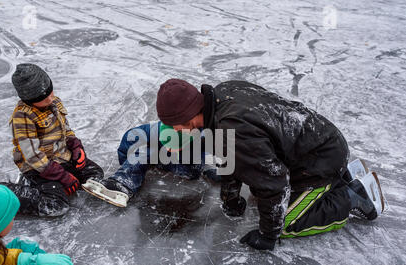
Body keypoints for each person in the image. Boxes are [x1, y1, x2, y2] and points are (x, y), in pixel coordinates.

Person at [155, 79, 385, 251]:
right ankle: (341, 178)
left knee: (286, 222)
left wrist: (268, 235)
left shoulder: (232, 131)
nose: (175, 133)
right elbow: (232, 155)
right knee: (257, 183)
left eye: (174, 127)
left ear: (186, 118)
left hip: (319, 162)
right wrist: (230, 197)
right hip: (319, 137)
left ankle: (351, 196)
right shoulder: (225, 92)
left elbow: (274, 184)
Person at [0, 63, 104, 217]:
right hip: (39, 167)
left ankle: (57, 181)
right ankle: (11, 192)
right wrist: (62, 176)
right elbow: (32, 155)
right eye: (43, 98)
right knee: (56, 206)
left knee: (95, 174)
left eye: (50, 92)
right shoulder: (23, 117)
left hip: (61, 156)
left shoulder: (53, 102)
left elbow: (65, 129)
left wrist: (75, 146)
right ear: (29, 99)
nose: (50, 98)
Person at [83, 121, 219, 207]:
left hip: (189, 167)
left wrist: (214, 171)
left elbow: (215, 153)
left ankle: (123, 183)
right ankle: (122, 183)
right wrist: (125, 164)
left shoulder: (200, 137)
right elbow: (127, 141)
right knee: (145, 151)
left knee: (145, 152)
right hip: (180, 163)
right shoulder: (153, 130)